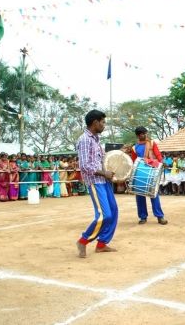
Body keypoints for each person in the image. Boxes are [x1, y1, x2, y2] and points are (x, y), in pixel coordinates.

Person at [75, 110, 119, 258]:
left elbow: (100, 161)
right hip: (95, 182)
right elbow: (85, 165)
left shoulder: (96, 139)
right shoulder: (85, 140)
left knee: (113, 212)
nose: (104, 125)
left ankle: (102, 244)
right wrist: (103, 173)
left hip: (104, 181)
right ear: (95, 123)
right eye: (103, 122)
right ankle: (83, 240)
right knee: (104, 215)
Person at [130, 126, 168, 225]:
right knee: (140, 196)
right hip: (140, 172)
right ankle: (143, 217)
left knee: (154, 194)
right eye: (143, 134)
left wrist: (162, 161)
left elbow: (158, 154)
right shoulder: (134, 148)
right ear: (138, 135)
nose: (145, 135)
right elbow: (134, 161)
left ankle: (160, 216)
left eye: (145, 133)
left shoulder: (152, 143)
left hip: (152, 170)